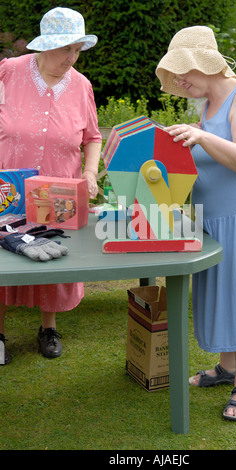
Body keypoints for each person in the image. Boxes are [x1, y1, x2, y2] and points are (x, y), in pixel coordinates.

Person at [156, 26, 236, 421]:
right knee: (222, 294)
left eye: (182, 74)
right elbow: (207, 156)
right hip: (217, 218)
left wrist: (200, 138)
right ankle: (227, 369)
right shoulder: (208, 102)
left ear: (201, 64)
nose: (179, 83)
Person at [0, 7, 102, 364]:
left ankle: (48, 328)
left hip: (59, 188)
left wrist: (89, 173)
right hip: (9, 186)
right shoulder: (9, 72)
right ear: (44, 46)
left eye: (76, 50)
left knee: (54, 253)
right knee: (2, 254)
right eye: (65, 49)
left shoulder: (81, 85)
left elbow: (91, 137)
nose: (71, 58)